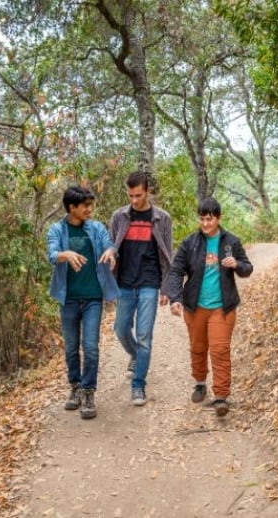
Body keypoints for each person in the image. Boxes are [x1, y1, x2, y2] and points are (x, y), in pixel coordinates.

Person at [167, 197, 253, 417]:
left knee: (220, 350)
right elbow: (176, 271)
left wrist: (237, 264)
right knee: (198, 346)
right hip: (195, 306)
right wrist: (175, 297)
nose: (205, 224)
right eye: (202, 219)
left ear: (218, 218)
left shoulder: (230, 242)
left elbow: (247, 268)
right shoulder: (190, 243)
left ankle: (221, 396)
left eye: (210, 219)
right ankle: (199, 382)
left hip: (222, 307)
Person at [47, 185, 119, 420]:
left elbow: (110, 244)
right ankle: (75, 387)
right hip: (68, 298)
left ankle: (89, 391)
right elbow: (52, 254)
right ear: (72, 207)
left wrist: (110, 252)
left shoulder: (96, 227)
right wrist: (65, 255)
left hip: (93, 298)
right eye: (85, 205)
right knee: (70, 347)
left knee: (90, 346)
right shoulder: (57, 230)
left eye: (91, 205)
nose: (90, 209)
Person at [109, 171, 173, 406]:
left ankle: (138, 386)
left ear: (147, 192)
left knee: (145, 336)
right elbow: (110, 247)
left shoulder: (162, 218)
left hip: (149, 283)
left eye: (138, 195)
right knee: (121, 329)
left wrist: (166, 288)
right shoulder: (119, 216)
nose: (134, 200)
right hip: (124, 283)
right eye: (130, 195)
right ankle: (135, 355)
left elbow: (167, 255)